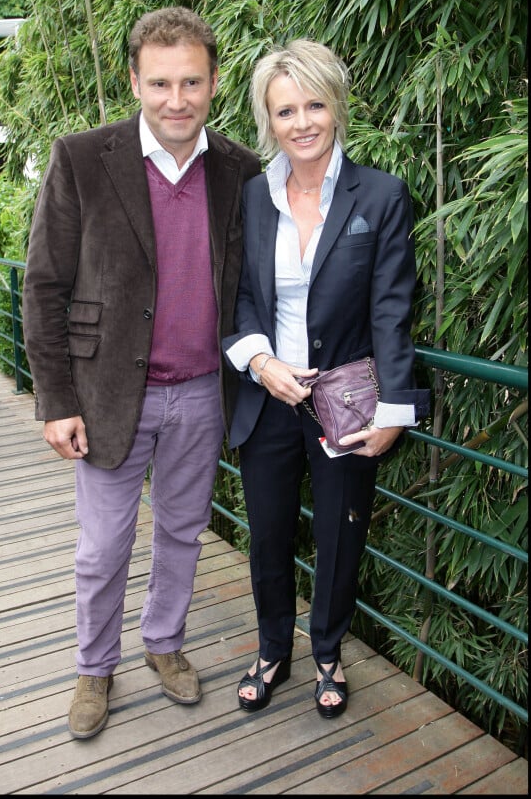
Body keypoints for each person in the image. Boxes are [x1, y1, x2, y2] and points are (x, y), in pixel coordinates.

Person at [22, 6, 261, 740]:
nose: (176, 99)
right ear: (134, 80)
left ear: (214, 82)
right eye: (160, 83)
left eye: (192, 81)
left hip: (202, 393)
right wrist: (56, 401)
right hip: (106, 397)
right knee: (102, 548)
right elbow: (43, 284)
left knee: (184, 533)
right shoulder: (81, 156)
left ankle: (165, 646)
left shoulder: (242, 169)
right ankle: (95, 668)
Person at [222, 40, 429, 719]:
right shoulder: (254, 196)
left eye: (314, 104)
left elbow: (392, 308)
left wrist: (395, 408)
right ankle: (272, 650)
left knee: (341, 537)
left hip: (347, 403)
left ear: (337, 107)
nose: (302, 121)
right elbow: (241, 298)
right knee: (269, 534)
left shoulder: (383, 194)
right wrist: (261, 361)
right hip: (268, 398)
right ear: (268, 120)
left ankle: (329, 652)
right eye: (286, 110)